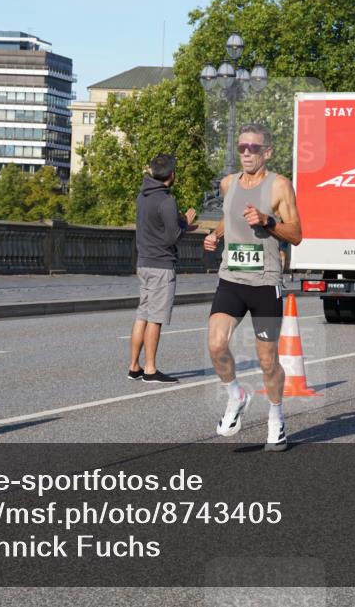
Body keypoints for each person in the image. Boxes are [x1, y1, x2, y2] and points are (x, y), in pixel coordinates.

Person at [203, 123, 302, 452]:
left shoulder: (280, 186)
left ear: (267, 152)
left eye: (253, 148)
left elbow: (297, 234)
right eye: (242, 147)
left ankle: (276, 417)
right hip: (231, 279)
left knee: (268, 361)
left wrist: (268, 221)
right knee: (216, 345)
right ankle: (236, 395)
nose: (246, 153)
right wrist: (215, 235)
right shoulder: (228, 183)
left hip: (265, 284)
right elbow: (230, 216)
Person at [129, 153, 196, 383]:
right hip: (161, 265)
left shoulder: (142, 196)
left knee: (142, 315)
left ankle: (134, 366)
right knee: (155, 318)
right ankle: (150, 369)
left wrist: (179, 224)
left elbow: (155, 227)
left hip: (144, 262)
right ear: (172, 174)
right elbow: (172, 237)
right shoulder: (167, 200)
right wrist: (185, 222)